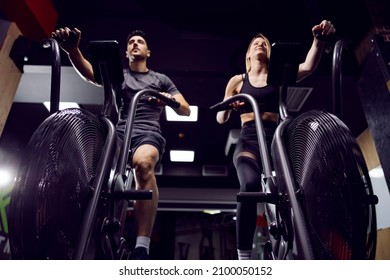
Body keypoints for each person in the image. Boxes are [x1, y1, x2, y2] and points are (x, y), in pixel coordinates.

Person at [52, 27, 191, 260]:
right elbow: (90, 73)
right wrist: (73, 50)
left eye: (140, 42)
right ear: (126, 51)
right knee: (95, 176)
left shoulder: (160, 79)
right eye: (131, 42)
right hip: (118, 134)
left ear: (148, 52)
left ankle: (142, 247)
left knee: (143, 165)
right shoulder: (120, 76)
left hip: (148, 133)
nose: (135, 44)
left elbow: (185, 108)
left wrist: (167, 100)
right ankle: (90, 230)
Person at [216, 20, 336, 260]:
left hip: (278, 140)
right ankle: (244, 256)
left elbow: (309, 67)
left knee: (295, 193)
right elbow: (220, 118)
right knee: (249, 186)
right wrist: (230, 105)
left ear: (269, 52)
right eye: (255, 43)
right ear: (249, 54)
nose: (260, 44)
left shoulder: (278, 74)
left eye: (264, 43)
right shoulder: (237, 81)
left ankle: (298, 247)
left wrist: (318, 40)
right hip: (249, 140)